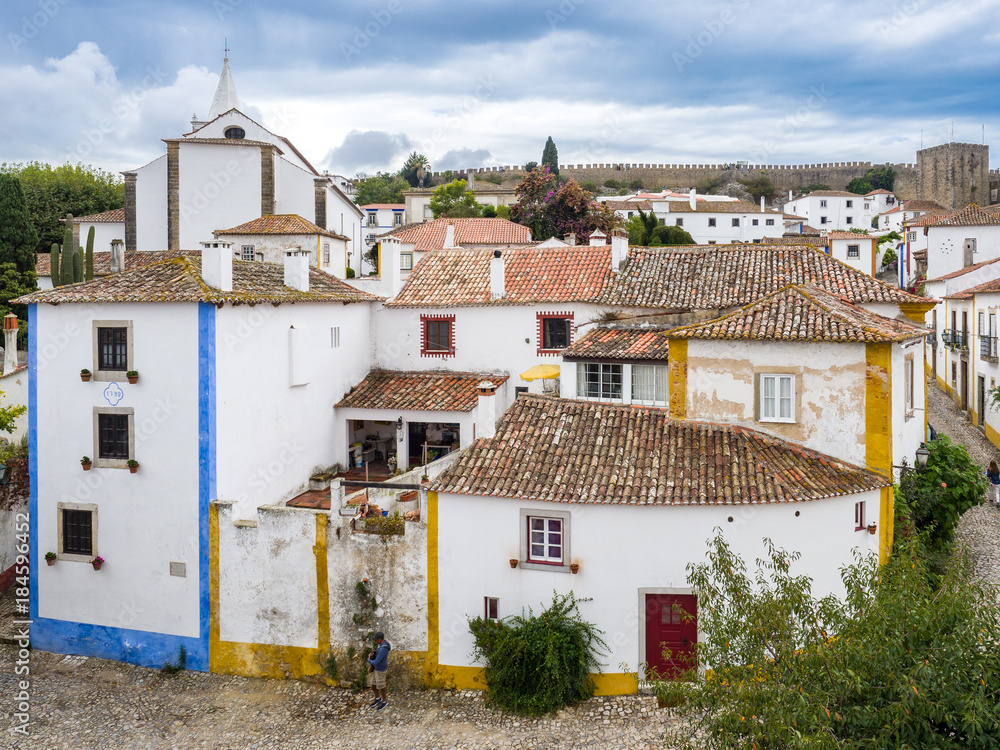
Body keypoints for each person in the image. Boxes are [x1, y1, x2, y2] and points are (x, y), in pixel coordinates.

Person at [366, 631, 391, 711]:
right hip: (376, 669)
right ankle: (377, 698)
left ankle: (384, 701)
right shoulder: (382, 645)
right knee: (373, 683)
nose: (375, 641)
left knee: (382, 686)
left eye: (376, 640)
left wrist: (369, 659)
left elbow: (376, 662)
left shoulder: (383, 649)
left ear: (380, 639)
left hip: (380, 670)